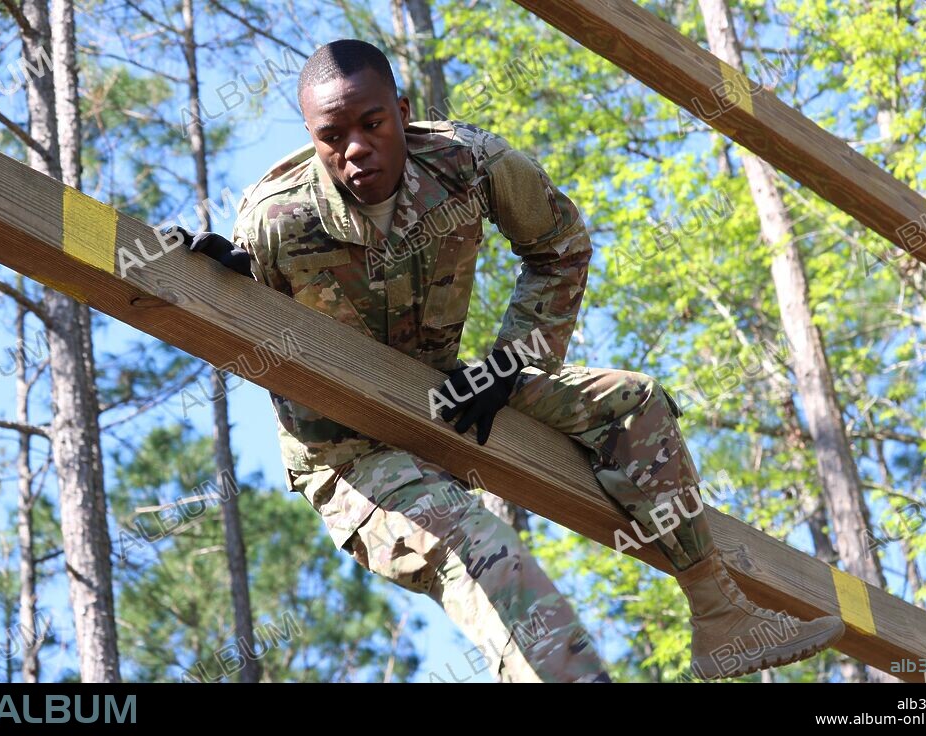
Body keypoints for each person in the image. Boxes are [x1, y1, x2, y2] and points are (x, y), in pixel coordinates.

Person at [173, 38, 845, 683]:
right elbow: (258, 326)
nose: (353, 150)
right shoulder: (276, 217)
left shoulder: (469, 165)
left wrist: (511, 363)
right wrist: (233, 287)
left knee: (633, 404)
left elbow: (560, 247)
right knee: (480, 548)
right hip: (351, 454)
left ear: (403, 113)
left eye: (372, 124)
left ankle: (720, 614)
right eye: (330, 136)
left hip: (446, 396)